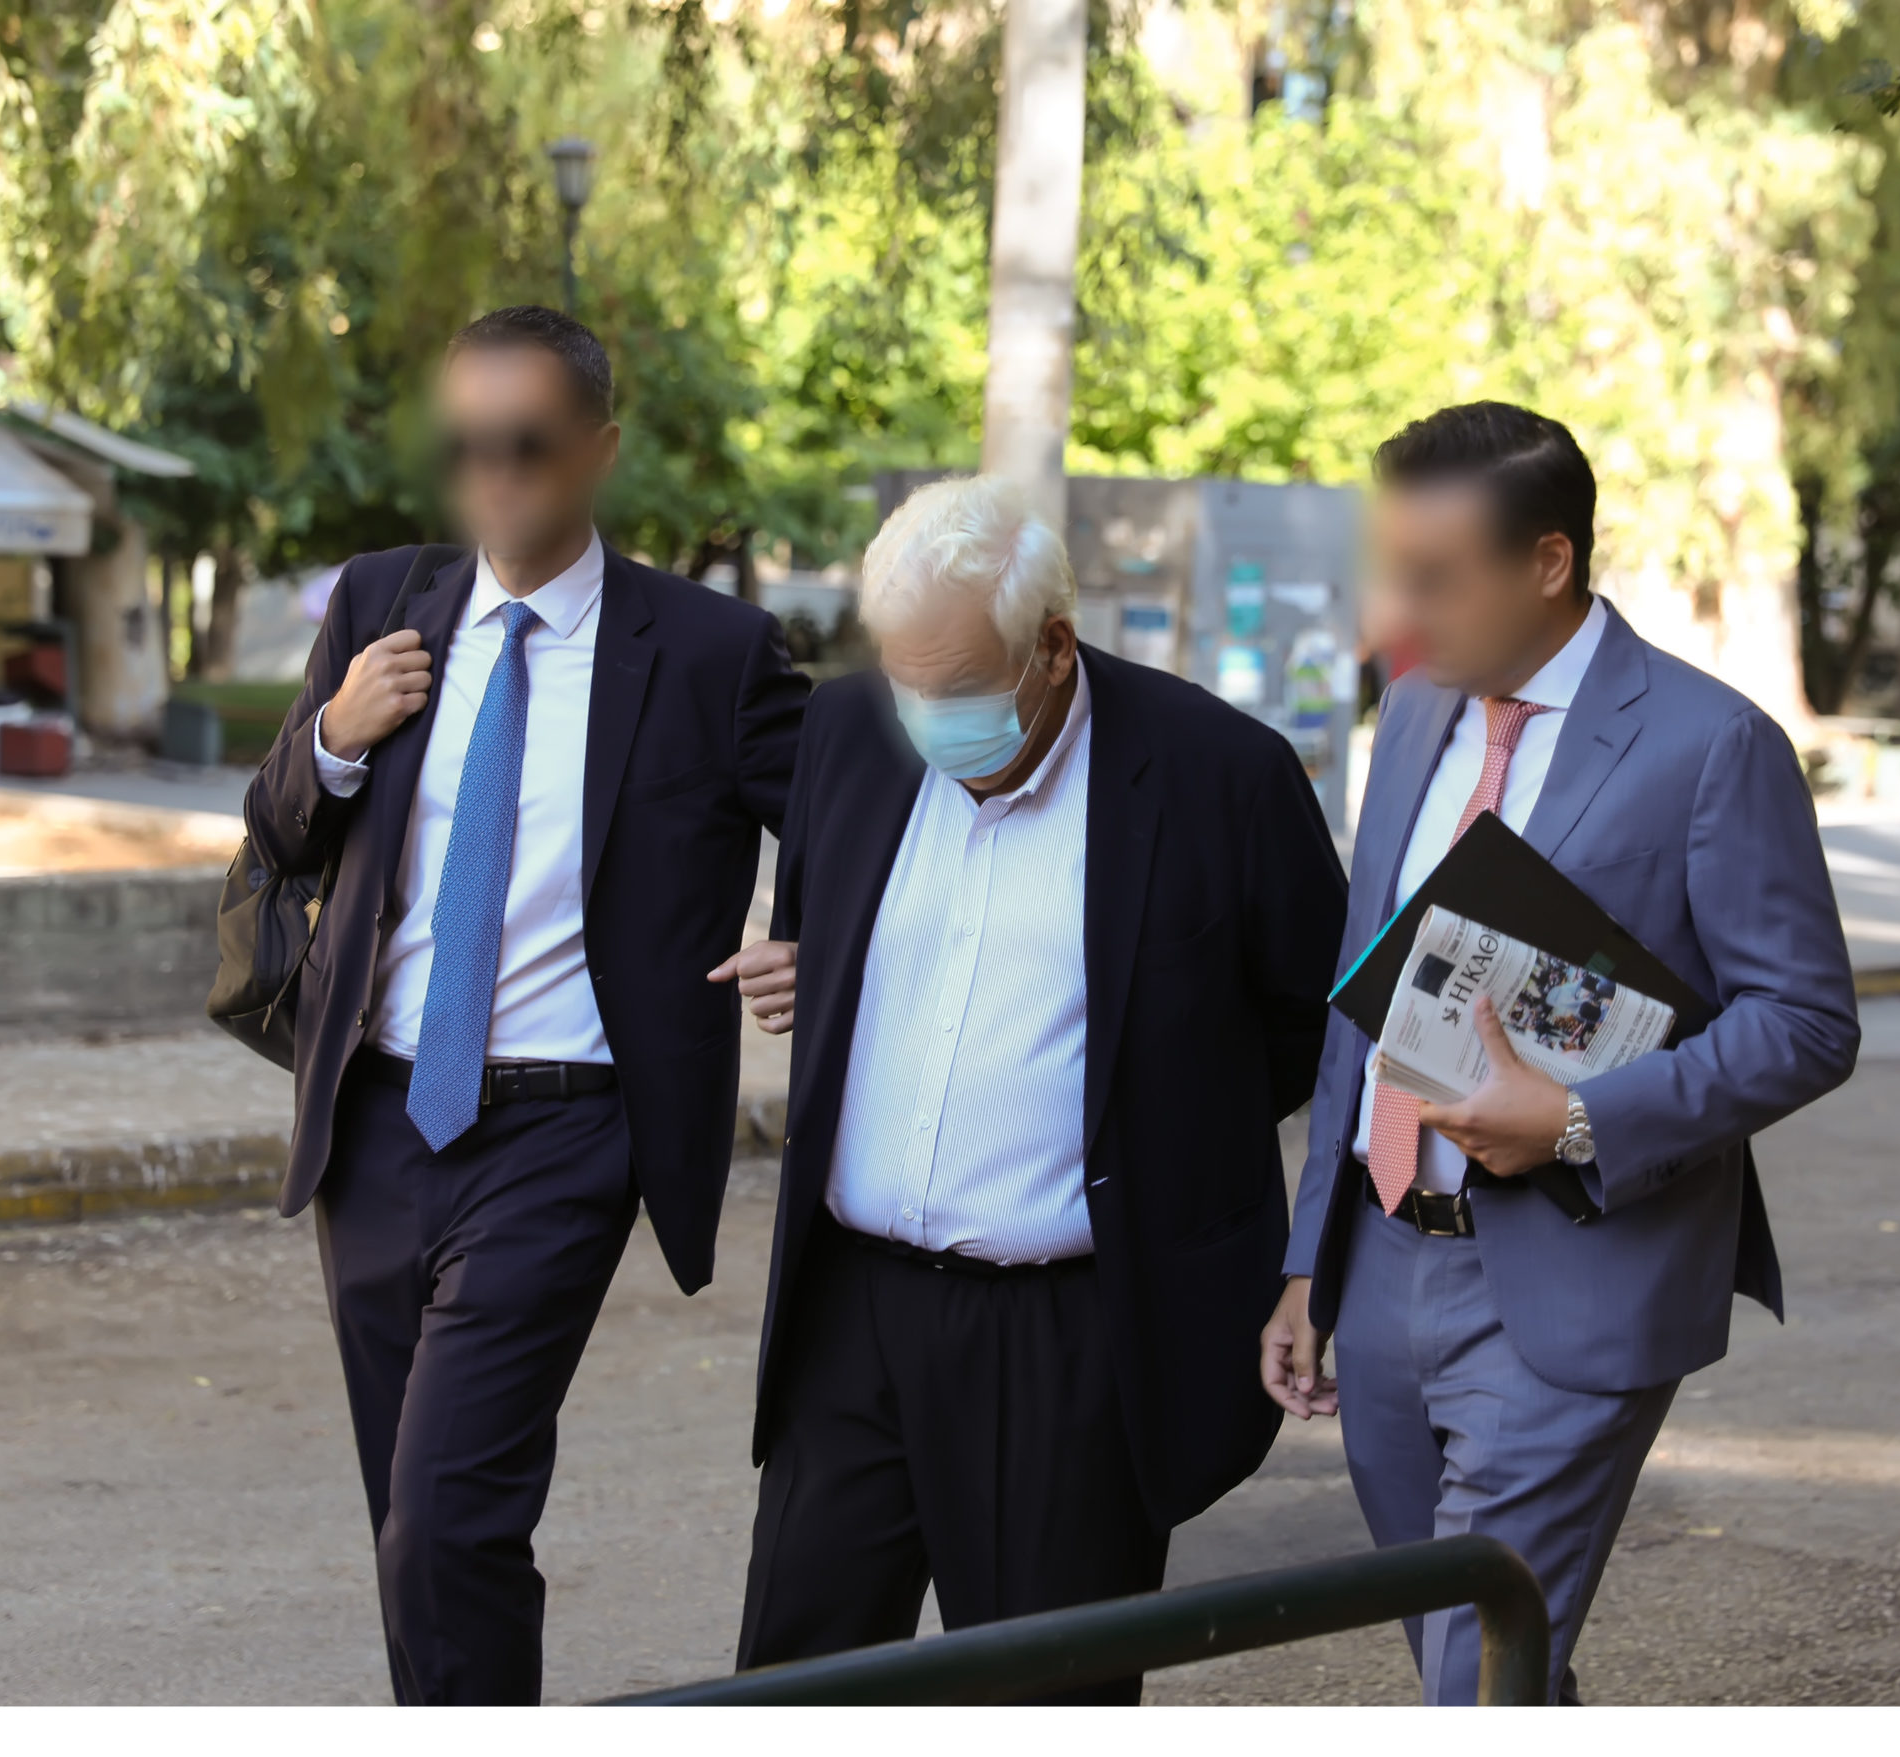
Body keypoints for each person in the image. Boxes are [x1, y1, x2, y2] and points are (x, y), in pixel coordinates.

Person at [240, 305, 809, 1705]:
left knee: (446, 1516)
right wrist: (336, 736)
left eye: (526, 444)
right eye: (465, 444)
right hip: (376, 1125)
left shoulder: (709, 651)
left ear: (598, 450)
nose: (490, 473)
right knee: (408, 1522)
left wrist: (812, 940)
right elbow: (276, 829)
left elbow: (855, 819)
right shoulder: (382, 603)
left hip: (565, 1136)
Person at [1262, 403, 1859, 1705]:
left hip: (1574, 1276)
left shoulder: (1713, 743)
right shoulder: (1413, 709)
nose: (1400, 609)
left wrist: (1579, 1118)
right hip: (1382, 1258)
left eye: (1433, 579)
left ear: (1547, 562)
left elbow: (1807, 1021)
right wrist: (1313, 1258)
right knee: (1485, 1664)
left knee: (1472, 1686)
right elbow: (1363, 997)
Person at [722, 475, 1347, 1702]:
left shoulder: (1220, 775)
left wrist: (1172, 1123)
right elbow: (832, 922)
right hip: (851, 1312)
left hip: (1068, 1334)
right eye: (904, 681)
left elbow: (1318, 1027)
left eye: (957, 688)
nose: (925, 719)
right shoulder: (849, 732)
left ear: (1053, 646)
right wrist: (820, 970)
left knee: (1042, 1694)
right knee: (789, 1682)